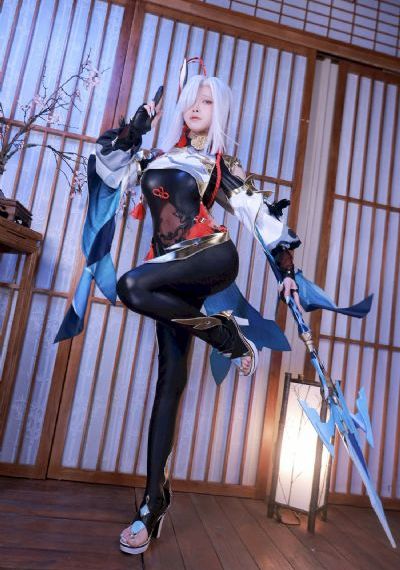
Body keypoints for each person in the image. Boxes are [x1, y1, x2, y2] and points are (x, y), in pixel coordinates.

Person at [92, 64, 302, 555]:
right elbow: (107, 168)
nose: (196, 106)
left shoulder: (217, 164)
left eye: (207, 101)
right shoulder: (157, 157)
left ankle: (225, 336)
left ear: (219, 110)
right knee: (170, 382)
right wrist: (137, 127)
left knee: (130, 284)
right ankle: (153, 505)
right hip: (169, 274)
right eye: (192, 98)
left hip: (210, 254)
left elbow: (261, 217)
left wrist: (287, 273)